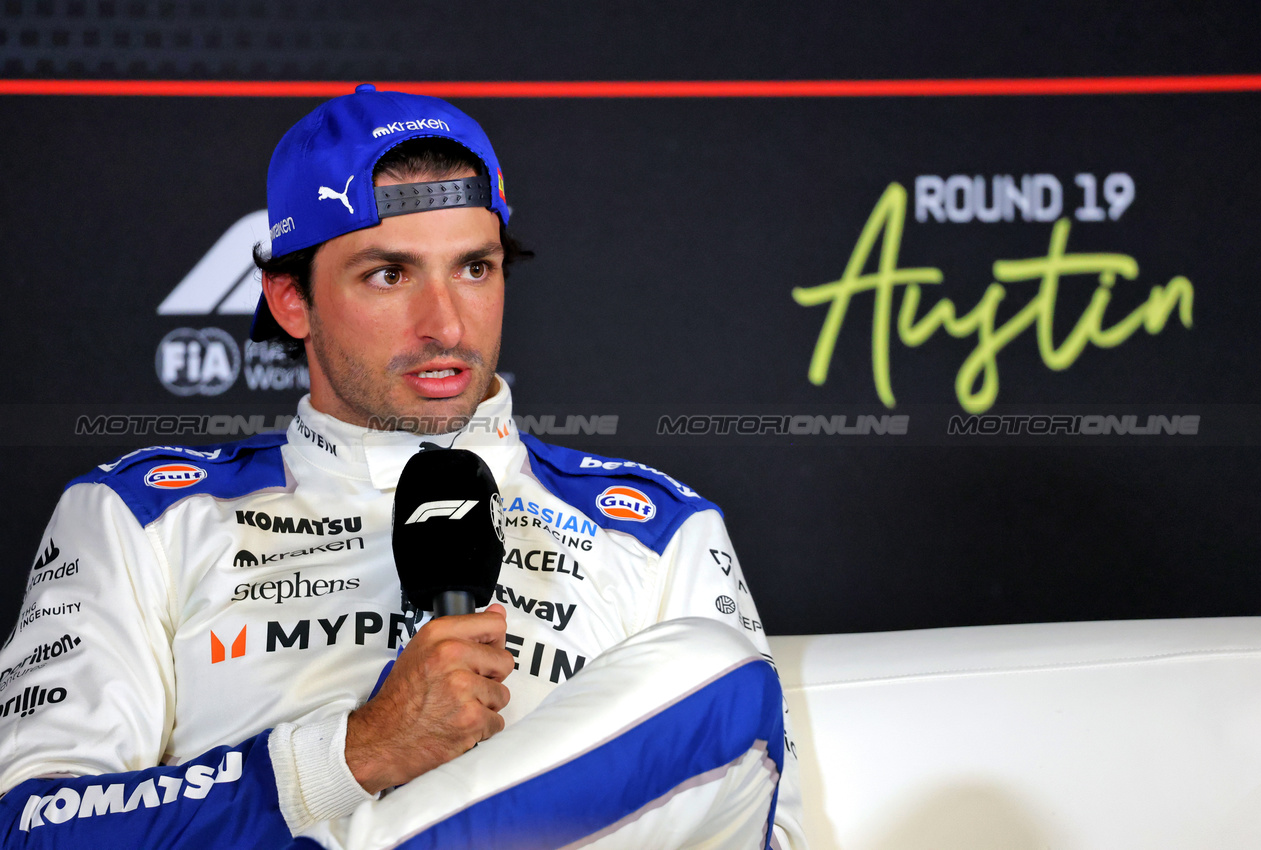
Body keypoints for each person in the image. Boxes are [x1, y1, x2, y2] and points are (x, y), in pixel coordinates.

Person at [0, 86, 806, 849]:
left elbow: (750, 815)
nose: (445, 324)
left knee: (720, 675)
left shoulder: (659, 532)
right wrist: (355, 754)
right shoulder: (139, 519)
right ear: (290, 300)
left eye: (474, 268)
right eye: (389, 274)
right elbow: (30, 829)